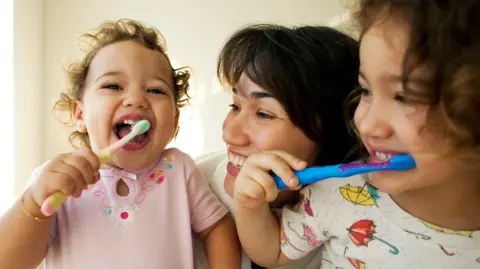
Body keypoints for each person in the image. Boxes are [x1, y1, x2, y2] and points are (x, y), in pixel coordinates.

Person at [232, 0, 480, 268]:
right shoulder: (342, 193)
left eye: (405, 96)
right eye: (366, 90)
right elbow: (272, 253)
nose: (366, 123)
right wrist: (248, 205)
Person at [0, 19, 241, 269]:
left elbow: (217, 228)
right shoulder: (59, 182)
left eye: (156, 90)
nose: (137, 99)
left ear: (174, 119)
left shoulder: (179, 168)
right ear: (80, 114)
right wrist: (33, 206)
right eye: (113, 86)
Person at [193, 24, 361, 269]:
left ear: (334, 133)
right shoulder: (186, 186)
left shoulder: (354, 216)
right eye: (235, 106)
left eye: (263, 114)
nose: (229, 133)